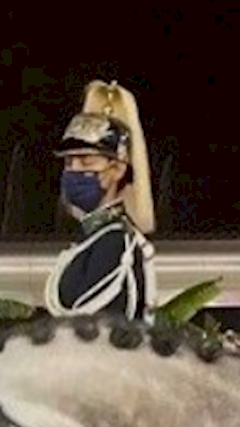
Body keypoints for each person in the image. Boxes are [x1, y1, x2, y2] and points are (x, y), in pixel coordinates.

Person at [46, 80, 158, 321]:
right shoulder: (95, 239)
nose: (74, 170)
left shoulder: (116, 242)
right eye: (68, 162)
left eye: (86, 162)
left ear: (116, 169)